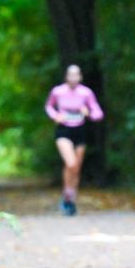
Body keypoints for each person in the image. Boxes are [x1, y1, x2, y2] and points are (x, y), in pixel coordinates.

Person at [45, 64, 104, 216]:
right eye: (71, 74)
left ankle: (70, 199)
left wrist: (89, 112)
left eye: (76, 74)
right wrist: (56, 116)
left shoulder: (86, 93)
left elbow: (98, 113)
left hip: (80, 130)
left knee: (76, 168)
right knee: (70, 163)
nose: (73, 78)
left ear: (80, 77)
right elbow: (49, 107)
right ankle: (67, 196)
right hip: (63, 130)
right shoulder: (57, 91)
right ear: (66, 76)